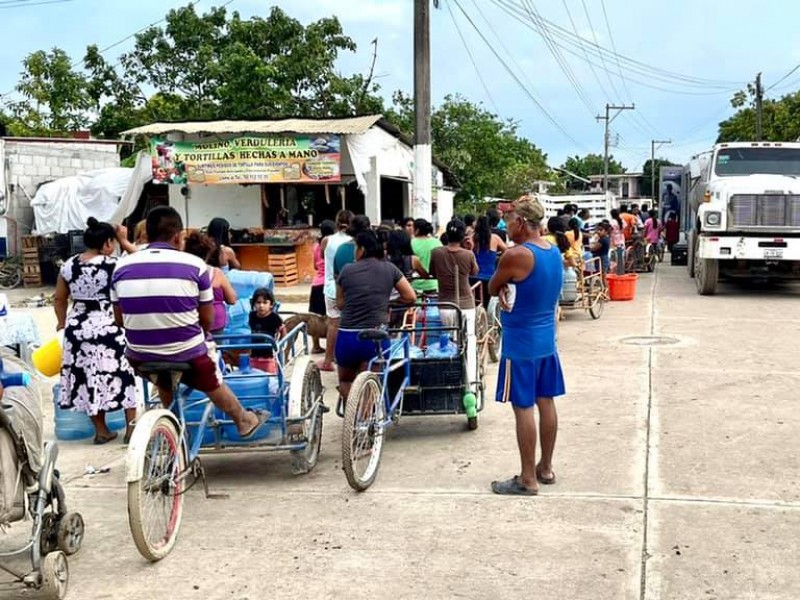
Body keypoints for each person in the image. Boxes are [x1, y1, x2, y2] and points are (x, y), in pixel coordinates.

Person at [112, 207, 264, 439]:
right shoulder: (195, 266)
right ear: (177, 237)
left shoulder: (121, 267)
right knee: (209, 374)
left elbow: (119, 319)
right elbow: (207, 320)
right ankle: (242, 419)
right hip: (187, 353)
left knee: (164, 378)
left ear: (148, 234)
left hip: (138, 355)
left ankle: (174, 430)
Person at [488, 195, 564, 496]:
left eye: (508, 219)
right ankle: (545, 467)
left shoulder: (517, 254)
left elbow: (494, 286)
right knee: (546, 401)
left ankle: (527, 478)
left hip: (521, 341)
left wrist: (505, 282)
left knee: (523, 408)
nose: (505, 224)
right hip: (546, 338)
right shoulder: (553, 250)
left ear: (520, 222)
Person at [55, 218, 138, 444]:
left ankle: (101, 431)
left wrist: (61, 324)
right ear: (108, 242)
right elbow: (139, 257)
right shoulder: (115, 264)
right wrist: (125, 239)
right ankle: (131, 429)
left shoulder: (69, 265)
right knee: (122, 375)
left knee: (87, 378)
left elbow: (59, 298)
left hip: (78, 328)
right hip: (109, 325)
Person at [336, 230, 416, 399]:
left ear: (362, 249)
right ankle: (364, 419)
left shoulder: (347, 270)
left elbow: (340, 303)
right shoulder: (389, 268)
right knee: (372, 381)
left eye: (355, 247)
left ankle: (353, 417)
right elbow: (410, 297)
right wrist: (388, 303)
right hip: (375, 336)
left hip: (347, 337)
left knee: (345, 381)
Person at [429, 220, 479, 390]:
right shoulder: (468, 255)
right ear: (463, 236)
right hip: (465, 304)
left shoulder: (436, 253)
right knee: (469, 342)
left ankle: (450, 379)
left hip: (444, 305)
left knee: (449, 342)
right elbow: (475, 272)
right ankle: (471, 384)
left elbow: (432, 272)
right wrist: (470, 249)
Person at [184, 232, 237, 336]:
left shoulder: (183, 273)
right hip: (215, 322)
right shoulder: (217, 273)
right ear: (208, 253)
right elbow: (232, 299)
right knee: (216, 350)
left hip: (190, 321)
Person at [320, 210, 354, 372]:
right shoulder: (354, 243)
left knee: (333, 324)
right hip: (350, 288)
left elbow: (322, 257)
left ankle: (328, 360)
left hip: (331, 287)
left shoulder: (326, 240)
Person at [473, 215, 507, 308]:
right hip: (489, 278)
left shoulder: (472, 238)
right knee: (486, 305)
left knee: (475, 304)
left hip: (473, 278)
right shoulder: (495, 238)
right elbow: (507, 250)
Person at [249, 288, 286, 372]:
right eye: (258, 302)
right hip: (254, 355)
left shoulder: (274, 318)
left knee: (270, 378)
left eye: (265, 302)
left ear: (271, 305)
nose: (261, 306)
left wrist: (280, 344)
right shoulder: (252, 316)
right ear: (254, 304)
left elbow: (283, 330)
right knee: (254, 376)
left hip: (268, 356)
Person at [309, 219, 335, 328]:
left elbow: (315, 266)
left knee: (317, 318)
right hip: (330, 283)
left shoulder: (316, 246)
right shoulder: (334, 245)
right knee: (332, 318)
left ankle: (316, 344)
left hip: (317, 284)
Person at [411, 218, 442, 295]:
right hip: (434, 283)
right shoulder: (437, 242)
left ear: (417, 230)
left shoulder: (411, 243)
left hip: (415, 284)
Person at [590, 221, 612, 288]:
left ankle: (606, 292)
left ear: (605, 231)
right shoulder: (605, 238)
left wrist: (591, 246)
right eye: (598, 229)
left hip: (602, 259)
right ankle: (605, 291)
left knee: (603, 277)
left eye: (601, 230)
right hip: (603, 258)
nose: (598, 231)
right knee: (602, 277)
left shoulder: (603, 240)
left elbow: (594, 248)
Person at [609, 209, 627, 275]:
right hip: (621, 239)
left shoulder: (612, 222)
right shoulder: (621, 221)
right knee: (620, 257)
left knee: (613, 257)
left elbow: (610, 230)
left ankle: (614, 272)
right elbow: (624, 228)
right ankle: (621, 272)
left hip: (614, 239)